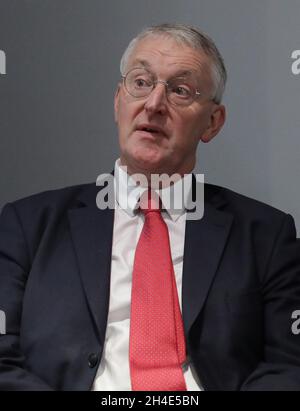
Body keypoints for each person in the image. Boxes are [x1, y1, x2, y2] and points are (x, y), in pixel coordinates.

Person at [0, 23, 300, 391]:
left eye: (180, 90)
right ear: (118, 101)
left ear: (212, 122)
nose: (154, 104)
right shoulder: (27, 226)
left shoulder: (266, 235)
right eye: (141, 82)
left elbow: (288, 363)